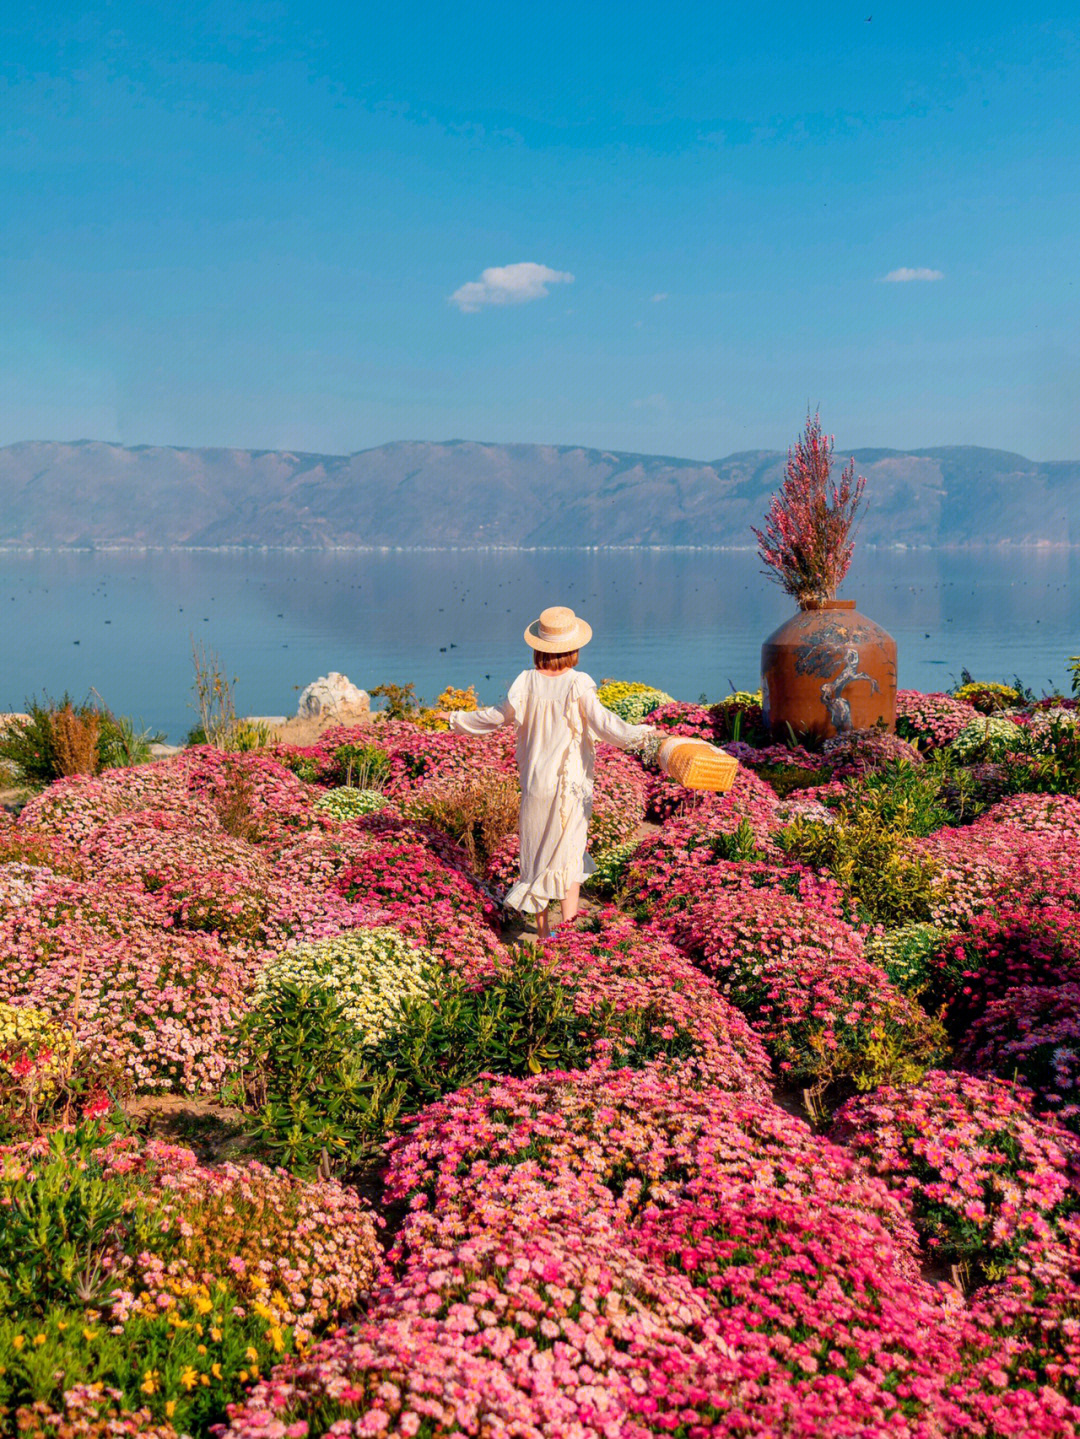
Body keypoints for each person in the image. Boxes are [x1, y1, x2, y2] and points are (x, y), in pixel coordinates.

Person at [442, 606, 659, 938]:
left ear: (538, 647)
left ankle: (544, 935)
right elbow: (605, 725)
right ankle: (569, 931)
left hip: (534, 785)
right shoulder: (578, 684)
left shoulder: (525, 682)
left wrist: (456, 720)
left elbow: (494, 717)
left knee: (537, 858)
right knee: (569, 856)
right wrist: (645, 735)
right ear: (573, 649)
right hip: (568, 787)